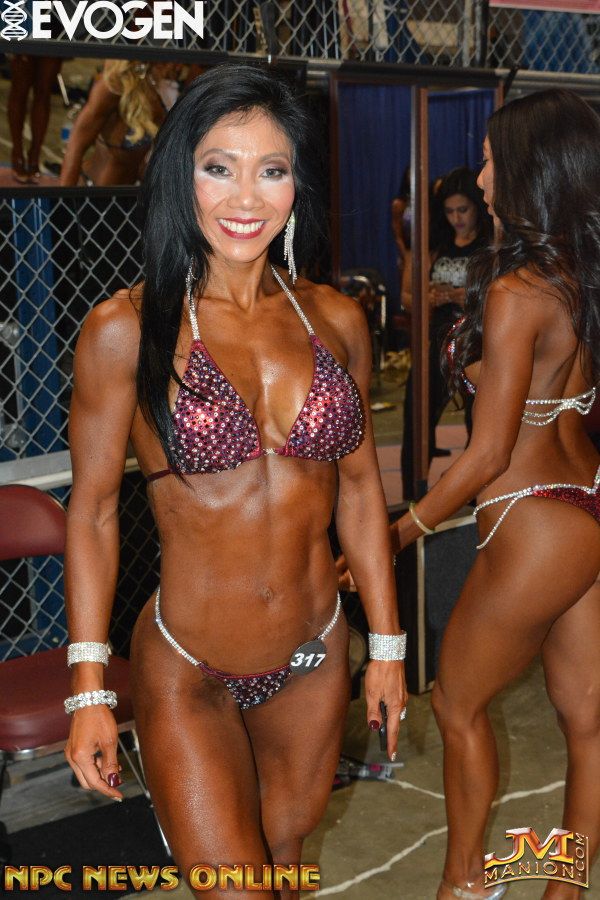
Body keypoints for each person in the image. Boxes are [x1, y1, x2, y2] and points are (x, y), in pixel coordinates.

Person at [63, 64, 406, 897]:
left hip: (314, 654)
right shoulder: (124, 328)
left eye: (271, 169)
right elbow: (94, 512)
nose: (246, 197)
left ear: (297, 184)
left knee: (286, 865)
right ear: (182, 176)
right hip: (191, 667)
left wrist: (387, 647)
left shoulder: (335, 319)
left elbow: (361, 491)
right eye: (219, 167)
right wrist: (87, 687)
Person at [339, 88, 600, 899]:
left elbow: (487, 454)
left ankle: (462, 884)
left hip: (533, 521)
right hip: (586, 503)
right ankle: (562, 890)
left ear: (528, 170)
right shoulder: (580, 275)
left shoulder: (519, 290)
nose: (480, 177)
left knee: (456, 704)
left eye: (490, 161)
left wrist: (399, 531)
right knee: (586, 723)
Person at [400, 167, 491, 498]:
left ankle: (474, 496)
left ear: (477, 207)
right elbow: (406, 297)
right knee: (417, 419)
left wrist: (468, 297)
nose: (456, 218)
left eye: (463, 210)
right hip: (437, 344)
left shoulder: (490, 245)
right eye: (450, 211)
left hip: (478, 345)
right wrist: (429, 297)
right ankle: (413, 495)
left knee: (479, 423)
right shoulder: (435, 245)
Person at [59, 60, 171, 187]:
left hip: (128, 193)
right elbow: (75, 146)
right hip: (93, 190)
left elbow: (140, 161)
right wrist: (65, 197)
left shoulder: (154, 85)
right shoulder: (111, 87)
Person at [8, 54, 63, 183]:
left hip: (52, 41)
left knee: (44, 90)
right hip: (23, 41)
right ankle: (17, 152)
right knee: (19, 87)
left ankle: (35, 155)